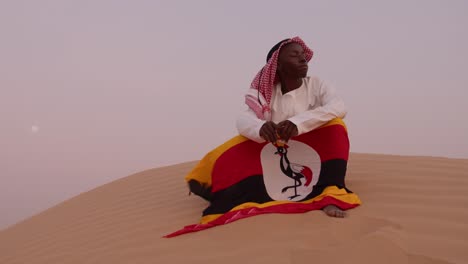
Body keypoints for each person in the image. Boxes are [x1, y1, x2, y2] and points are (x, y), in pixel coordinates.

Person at [236, 36, 348, 217]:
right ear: (277, 66)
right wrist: (260, 128)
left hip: (315, 155)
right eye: (294, 55)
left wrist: (298, 123)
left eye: (303, 54)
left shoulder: (317, 84)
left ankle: (329, 196)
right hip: (278, 154)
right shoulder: (266, 95)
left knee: (336, 126)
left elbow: (339, 107)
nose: (303, 59)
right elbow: (243, 119)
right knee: (241, 141)